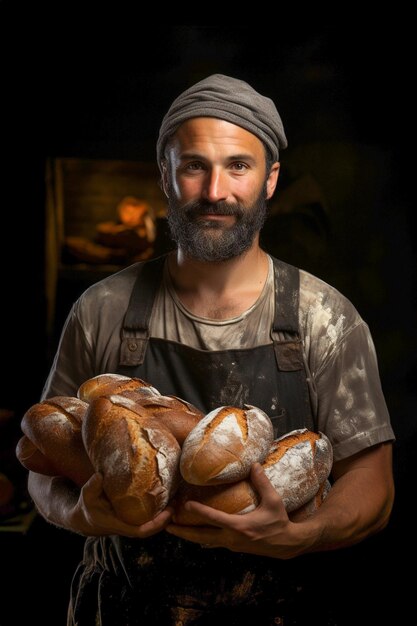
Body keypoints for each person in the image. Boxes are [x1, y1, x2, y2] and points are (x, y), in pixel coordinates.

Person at [28, 74, 395, 625]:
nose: (216, 190)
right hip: (124, 608)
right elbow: (42, 460)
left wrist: (301, 535)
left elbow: (375, 484)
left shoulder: (326, 318)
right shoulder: (101, 309)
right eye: (194, 165)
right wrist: (77, 512)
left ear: (270, 179)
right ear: (166, 177)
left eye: (239, 166)